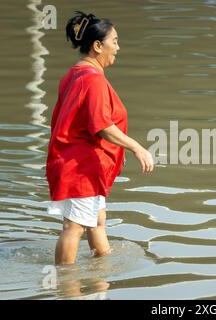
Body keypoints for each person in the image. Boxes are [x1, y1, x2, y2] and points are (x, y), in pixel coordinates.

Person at [46, 11, 154, 265]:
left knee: (97, 220)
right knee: (74, 227)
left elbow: (80, 124)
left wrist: (112, 153)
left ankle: (102, 274)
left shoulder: (74, 74)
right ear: (97, 46)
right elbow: (102, 125)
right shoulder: (92, 80)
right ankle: (66, 285)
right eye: (114, 41)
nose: (118, 47)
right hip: (79, 167)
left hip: (83, 163)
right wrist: (136, 147)